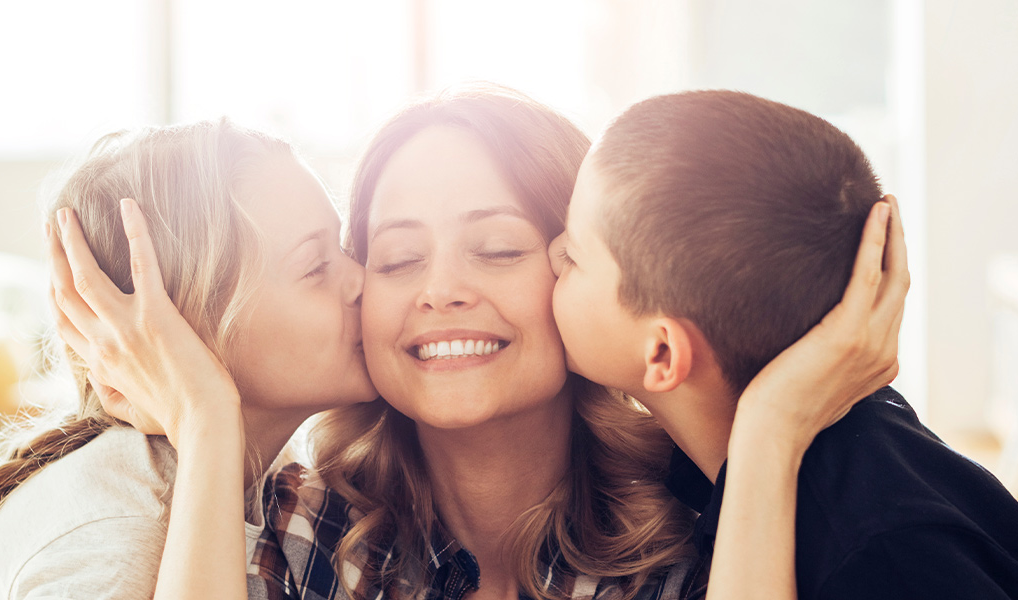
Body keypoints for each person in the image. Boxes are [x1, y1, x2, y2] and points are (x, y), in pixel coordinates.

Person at [52, 83, 904, 600]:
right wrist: (206, 416)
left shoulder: (704, 522)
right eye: (394, 257)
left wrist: (768, 431)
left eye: (498, 249)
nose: (442, 288)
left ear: (585, 276)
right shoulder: (300, 534)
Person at [549, 90, 1018, 599]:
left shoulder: (885, 554)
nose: (551, 256)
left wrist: (770, 424)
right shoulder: (758, 465)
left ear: (663, 354)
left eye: (574, 256)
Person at [0, 120, 377, 600]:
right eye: (315, 268)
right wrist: (206, 413)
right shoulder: (116, 534)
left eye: (344, 248)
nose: (360, 280)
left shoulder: (268, 485)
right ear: (179, 330)